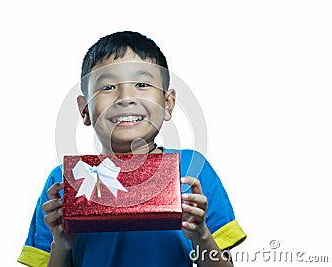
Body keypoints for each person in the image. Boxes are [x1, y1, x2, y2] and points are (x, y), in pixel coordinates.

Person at [18, 31, 246, 267]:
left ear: (168, 104)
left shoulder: (191, 170)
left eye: (142, 84)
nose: (125, 98)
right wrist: (61, 245)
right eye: (107, 87)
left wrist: (201, 235)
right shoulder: (63, 181)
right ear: (85, 109)